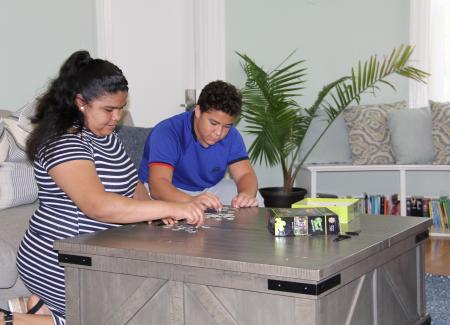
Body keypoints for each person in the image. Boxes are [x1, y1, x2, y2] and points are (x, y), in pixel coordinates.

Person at [0, 50, 204, 325]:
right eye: (108, 109)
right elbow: (97, 205)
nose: (116, 117)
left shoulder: (107, 137)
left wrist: (156, 215)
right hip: (61, 258)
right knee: (121, 314)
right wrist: (171, 206)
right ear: (80, 102)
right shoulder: (64, 143)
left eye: (121, 108)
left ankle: (41, 309)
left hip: (100, 253)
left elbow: (134, 185)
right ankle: (14, 320)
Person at [138, 80, 263, 211]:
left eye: (226, 126)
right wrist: (192, 201)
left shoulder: (232, 135)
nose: (219, 132)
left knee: (254, 200)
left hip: (209, 189)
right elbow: (158, 186)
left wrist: (246, 195)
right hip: (168, 190)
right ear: (198, 111)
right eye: (213, 123)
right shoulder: (167, 132)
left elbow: (245, 174)